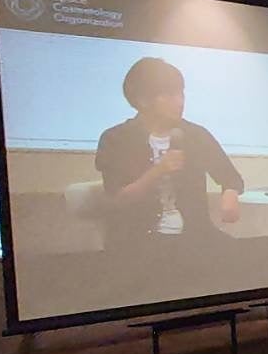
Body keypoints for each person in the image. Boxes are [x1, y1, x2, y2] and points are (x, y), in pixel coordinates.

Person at [96, 56, 243, 253]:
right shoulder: (116, 139)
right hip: (136, 243)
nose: (180, 102)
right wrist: (158, 171)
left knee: (246, 257)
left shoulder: (196, 135)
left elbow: (230, 177)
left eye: (181, 93)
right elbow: (119, 199)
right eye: (170, 95)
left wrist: (230, 194)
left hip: (195, 237)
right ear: (143, 100)